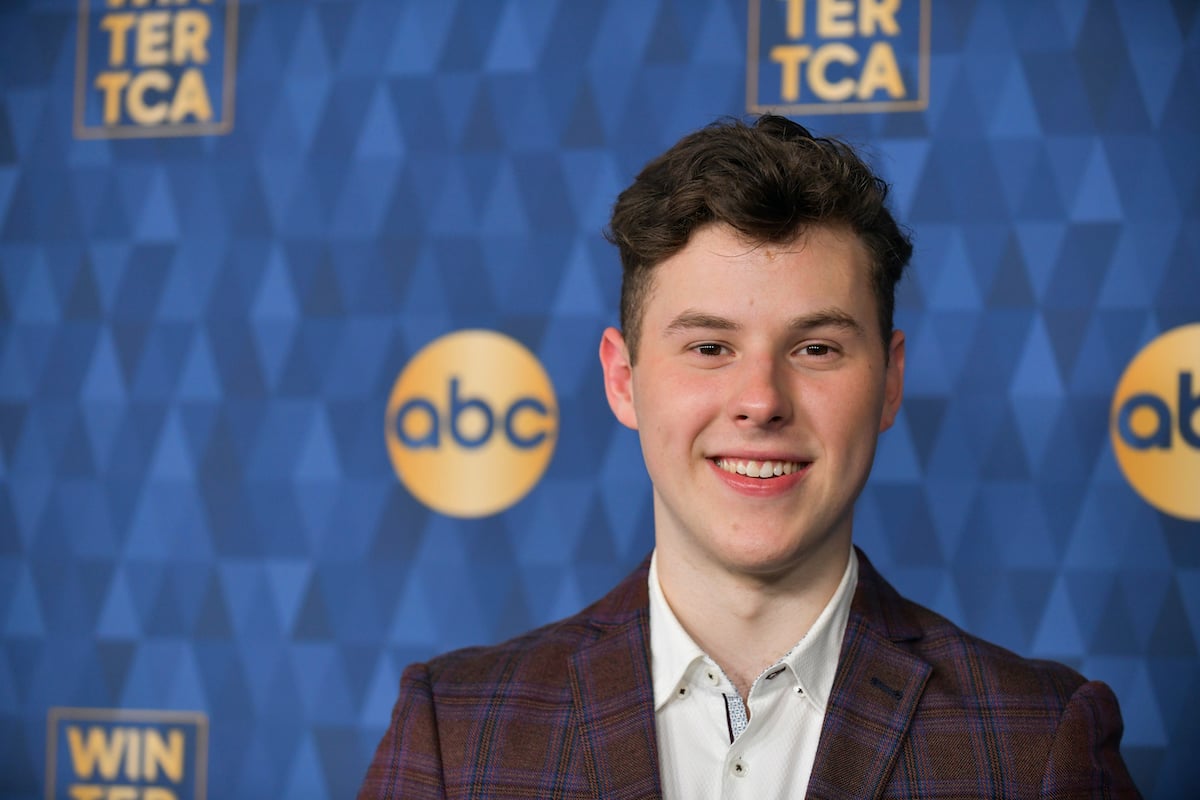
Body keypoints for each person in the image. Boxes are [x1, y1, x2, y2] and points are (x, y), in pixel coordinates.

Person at [358, 114, 1140, 799]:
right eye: (709, 346)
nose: (760, 399)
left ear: (890, 381)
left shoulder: (1040, 742)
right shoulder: (454, 735)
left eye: (816, 347)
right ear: (623, 380)